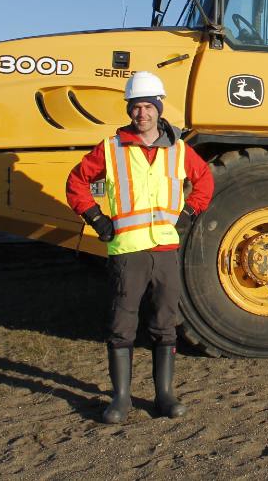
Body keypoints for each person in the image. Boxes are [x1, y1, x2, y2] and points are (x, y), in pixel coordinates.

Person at [66, 71, 213, 423]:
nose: (142, 113)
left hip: (164, 251)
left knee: (166, 323)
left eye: (148, 106)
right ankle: (120, 399)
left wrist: (189, 212)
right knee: (122, 325)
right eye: (136, 107)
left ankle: (164, 396)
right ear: (129, 110)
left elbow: (205, 180)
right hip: (126, 253)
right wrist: (97, 219)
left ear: (159, 109)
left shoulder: (179, 150)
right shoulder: (111, 149)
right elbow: (76, 182)